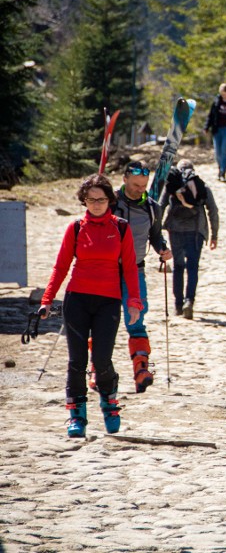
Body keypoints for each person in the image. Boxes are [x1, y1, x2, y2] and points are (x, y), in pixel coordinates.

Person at [41, 175, 142, 438]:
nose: (96, 204)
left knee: (101, 359)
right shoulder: (75, 228)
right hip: (77, 299)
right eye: (90, 200)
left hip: (108, 301)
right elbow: (61, 266)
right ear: (83, 201)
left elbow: (130, 267)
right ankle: (77, 417)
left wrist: (134, 300)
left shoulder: (121, 228)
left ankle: (110, 404)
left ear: (110, 200)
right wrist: (47, 299)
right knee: (77, 361)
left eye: (101, 199)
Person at [108, 161, 172, 393]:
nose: (139, 189)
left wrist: (163, 248)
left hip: (136, 271)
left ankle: (141, 370)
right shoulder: (108, 202)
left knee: (136, 320)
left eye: (143, 185)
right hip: (105, 271)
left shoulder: (152, 207)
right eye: (135, 185)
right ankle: (97, 370)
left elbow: (155, 235)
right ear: (124, 179)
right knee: (103, 323)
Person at [159, 159, 219, 320]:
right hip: (196, 231)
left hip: (175, 229)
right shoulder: (201, 186)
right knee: (192, 267)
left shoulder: (171, 186)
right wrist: (214, 235)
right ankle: (189, 301)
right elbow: (213, 211)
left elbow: (160, 206)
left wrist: (154, 231)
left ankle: (178, 304)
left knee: (178, 266)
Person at [204, 83, 226, 181]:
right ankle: (219, 168)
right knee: (217, 152)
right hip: (217, 129)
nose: (224, 96)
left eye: (225, 94)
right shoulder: (216, 101)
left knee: (224, 151)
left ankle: (223, 171)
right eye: (222, 94)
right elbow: (211, 115)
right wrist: (206, 127)